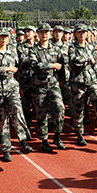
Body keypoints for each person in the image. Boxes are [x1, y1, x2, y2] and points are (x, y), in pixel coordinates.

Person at [0, 27, 32, 162]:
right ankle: (6, 149)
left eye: (6, 36)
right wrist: (5, 69)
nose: (3, 38)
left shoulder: (13, 52)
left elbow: (19, 68)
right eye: (1, 36)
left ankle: (23, 140)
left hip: (12, 87)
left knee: (18, 111)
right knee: (2, 119)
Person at [23, 23, 67, 153]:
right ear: (38, 34)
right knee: (41, 113)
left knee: (60, 109)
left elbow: (62, 65)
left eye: (47, 32)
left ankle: (57, 136)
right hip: (38, 85)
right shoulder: (33, 50)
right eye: (42, 32)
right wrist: (52, 65)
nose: (45, 34)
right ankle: (44, 140)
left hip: (53, 83)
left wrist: (62, 80)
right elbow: (35, 66)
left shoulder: (55, 48)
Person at [68, 24, 97, 146]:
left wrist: (93, 65)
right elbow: (75, 61)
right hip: (78, 82)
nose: (82, 34)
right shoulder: (72, 47)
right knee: (79, 109)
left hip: (91, 79)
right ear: (75, 34)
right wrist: (88, 59)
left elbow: (95, 62)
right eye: (80, 32)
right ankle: (79, 134)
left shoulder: (90, 46)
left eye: (84, 32)